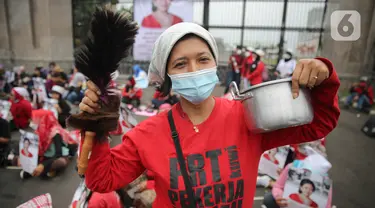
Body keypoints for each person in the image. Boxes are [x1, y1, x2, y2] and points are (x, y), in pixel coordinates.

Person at [78, 22, 340, 207]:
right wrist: (96, 125)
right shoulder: (147, 134)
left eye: (203, 59)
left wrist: (323, 75)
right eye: (180, 63)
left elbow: (319, 124)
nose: (194, 69)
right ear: (167, 77)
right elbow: (101, 179)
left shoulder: (248, 116)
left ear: (216, 65)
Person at [20, 110, 77, 179]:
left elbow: (58, 154)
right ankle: (41, 170)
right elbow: (36, 149)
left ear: (42, 120)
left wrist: (43, 165)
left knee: (61, 162)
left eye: (34, 119)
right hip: (46, 155)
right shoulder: (39, 131)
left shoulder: (55, 133)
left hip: (57, 156)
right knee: (20, 158)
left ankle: (40, 170)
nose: (32, 121)